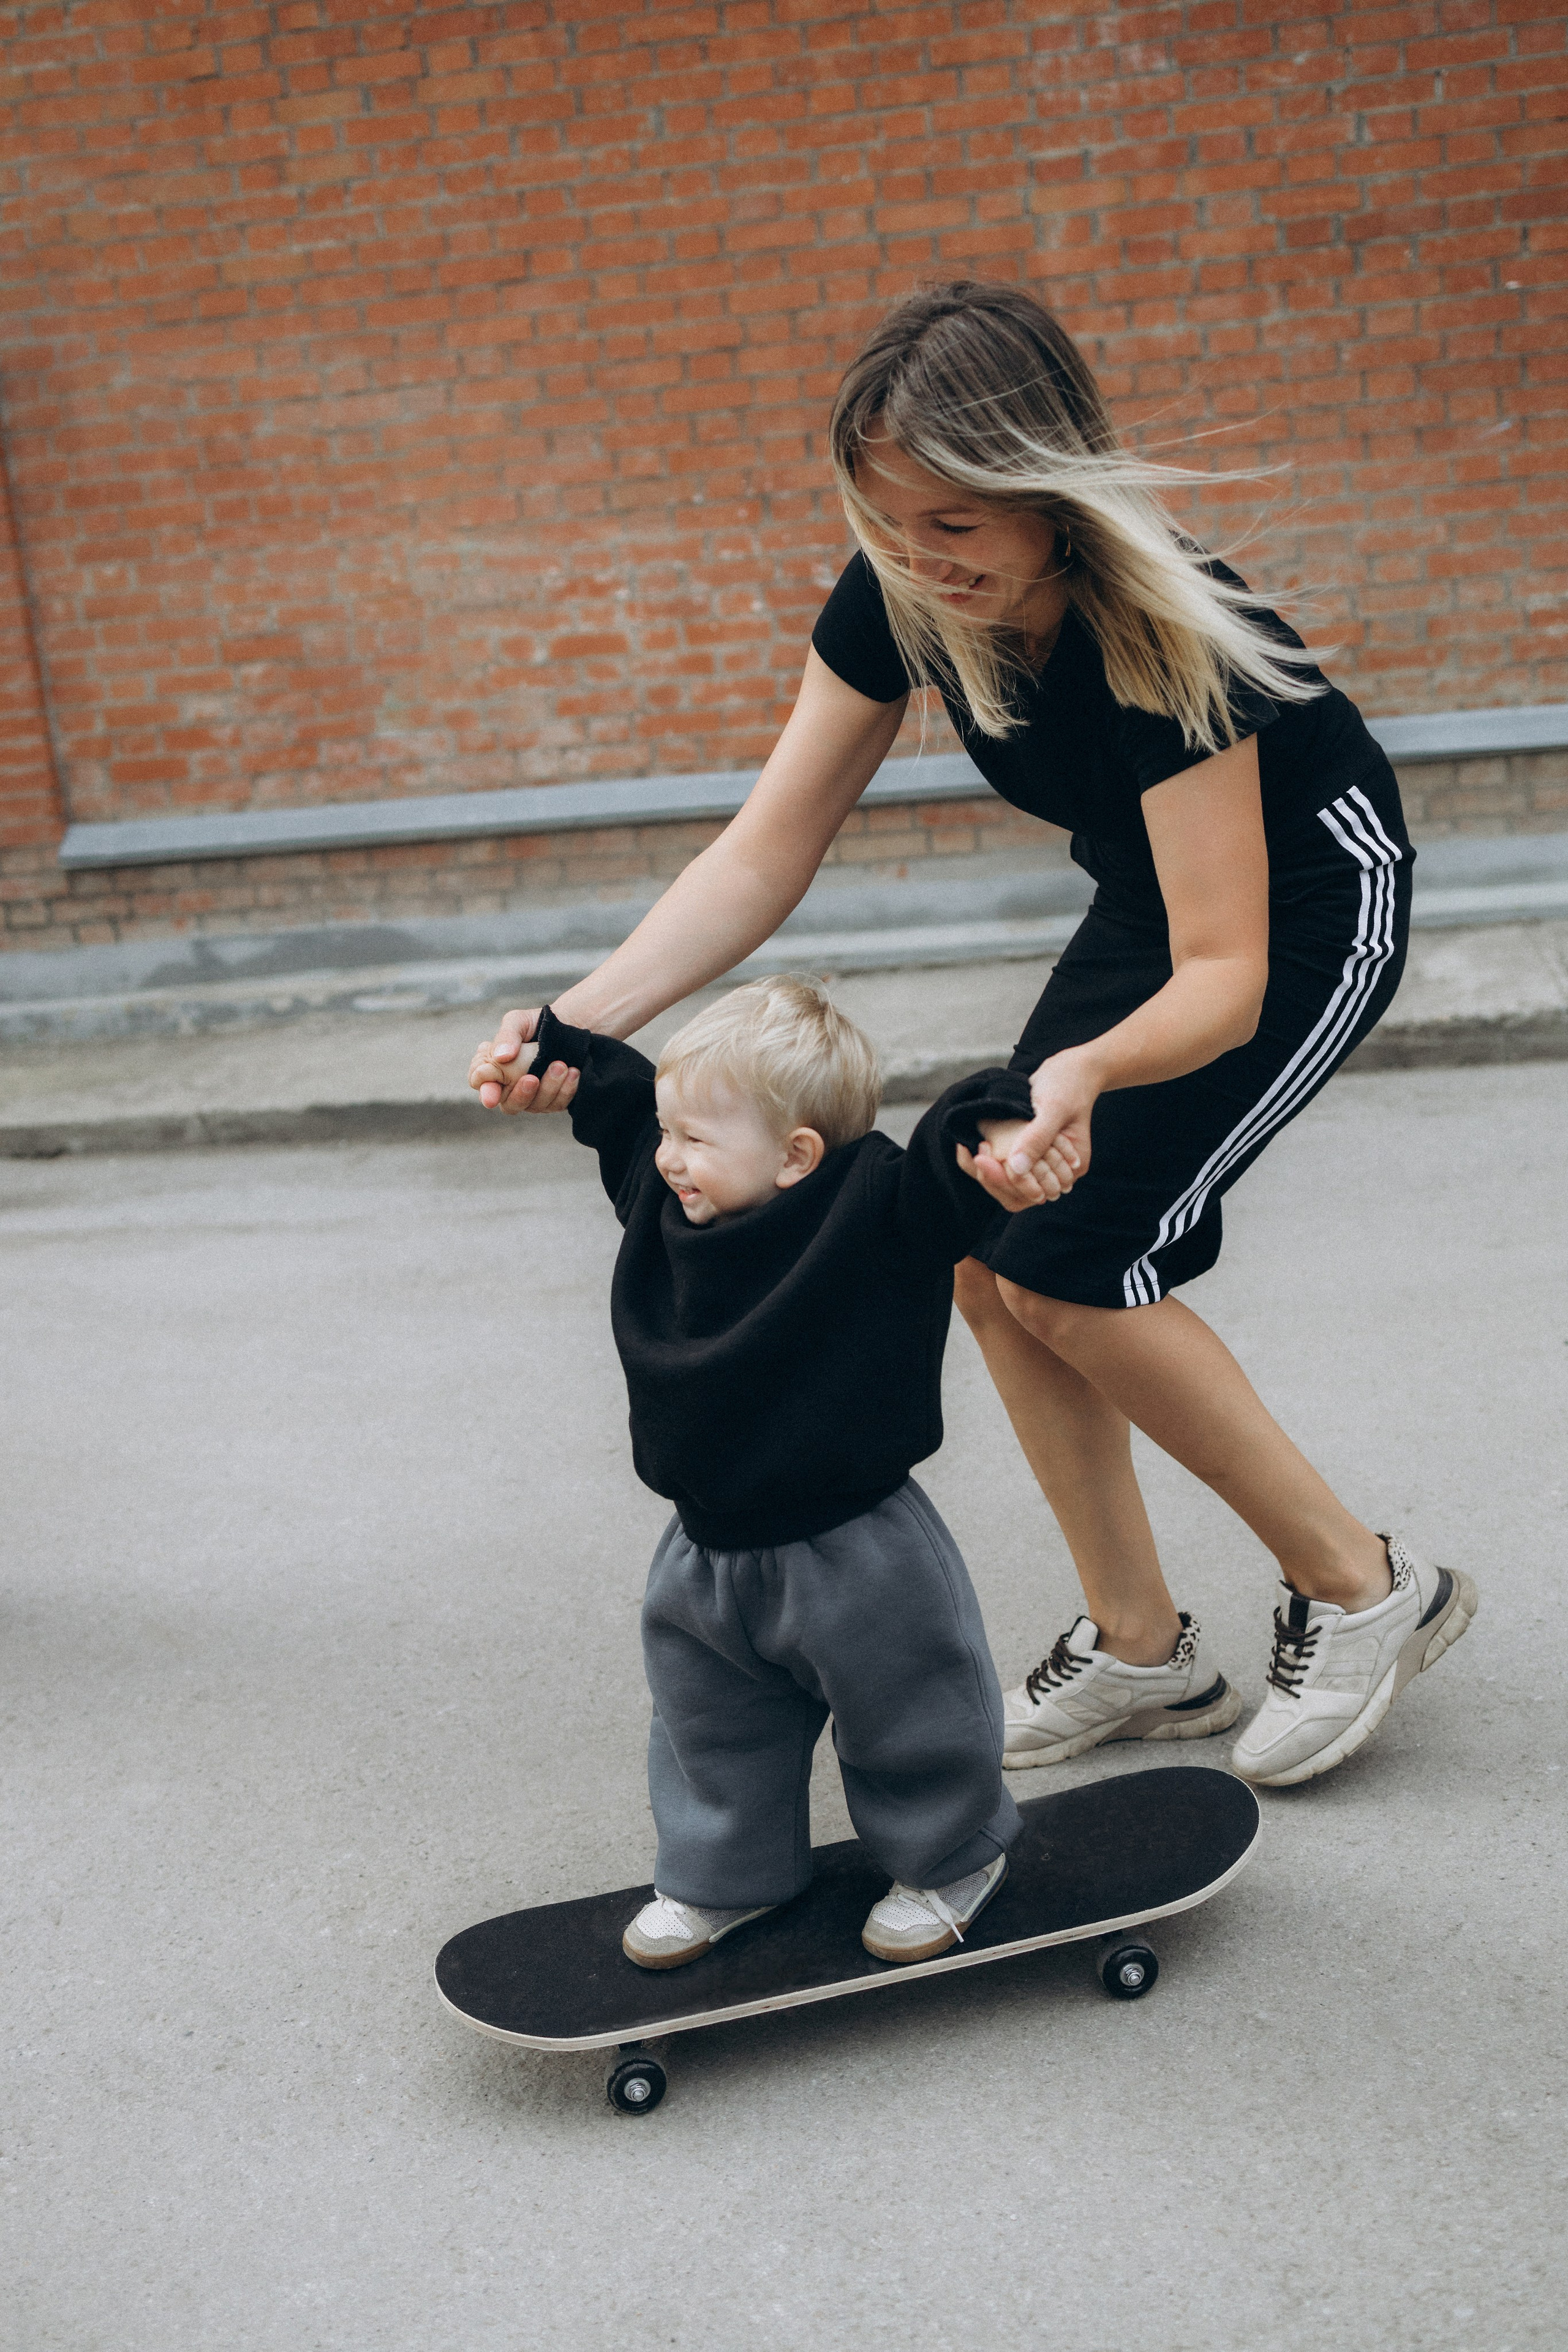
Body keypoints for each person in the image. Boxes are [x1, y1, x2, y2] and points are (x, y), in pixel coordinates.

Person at [471, 281, 1477, 1792]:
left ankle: (1360, 1588)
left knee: (1070, 1264)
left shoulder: (1166, 634)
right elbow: (765, 848)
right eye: (886, 523)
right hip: (1154, 905)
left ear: (1044, 493)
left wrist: (1079, 1073)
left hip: (1307, 912)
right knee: (982, 1250)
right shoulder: (896, 593)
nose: (921, 564)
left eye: (953, 525)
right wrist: (580, 1018)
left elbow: (1221, 975)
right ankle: (1143, 1652)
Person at [530, 976, 1036, 1969]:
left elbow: (945, 1160)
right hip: (705, 1551)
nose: (669, 1156)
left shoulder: (875, 1209)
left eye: (697, 1139)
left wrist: (998, 1119)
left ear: (797, 1155)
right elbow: (624, 1106)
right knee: (708, 1731)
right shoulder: (665, 1195)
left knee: (909, 1716)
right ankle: (728, 1875)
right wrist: (559, 1050)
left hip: (859, 1553)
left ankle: (952, 1857)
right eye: (672, 1134)